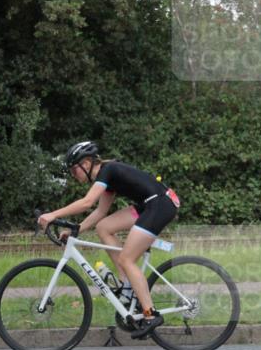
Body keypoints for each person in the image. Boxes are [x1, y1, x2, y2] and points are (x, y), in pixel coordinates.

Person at [37, 141, 181, 339]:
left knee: (127, 259)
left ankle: (150, 314)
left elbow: (87, 202)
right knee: (104, 227)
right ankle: (127, 285)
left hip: (159, 204)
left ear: (86, 164)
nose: (73, 175)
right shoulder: (108, 178)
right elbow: (100, 212)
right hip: (150, 204)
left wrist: (52, 215)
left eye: (73, 170)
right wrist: (76, 230)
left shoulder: (108, 170)